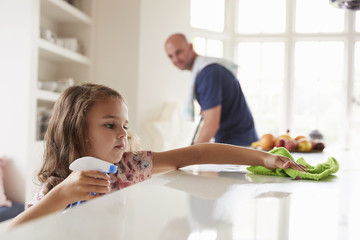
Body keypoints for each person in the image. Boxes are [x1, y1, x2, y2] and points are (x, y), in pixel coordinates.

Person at [7, 83, 306, 229]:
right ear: (76, 131)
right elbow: (14, 231)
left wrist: (263, 158)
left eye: (124, 125)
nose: (123, 134)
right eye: (110, 125)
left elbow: (198, 152)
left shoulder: (125, 168)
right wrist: (62, 194)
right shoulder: (52, 190)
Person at [164, 33, 258, 146]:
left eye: (178, 52)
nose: (175, 59)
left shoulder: (208, 74)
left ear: (190, 47)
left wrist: (191, 155)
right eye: (170, 56)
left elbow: (211, 126)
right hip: (238, 142)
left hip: (237, 145)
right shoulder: (208, 71)